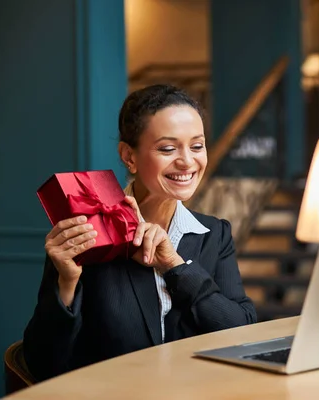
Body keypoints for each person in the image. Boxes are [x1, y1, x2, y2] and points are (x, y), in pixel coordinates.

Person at [23, 84, 257, 382]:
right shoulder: (85, 234)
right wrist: (66, 283)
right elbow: (42, 365)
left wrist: (174, 265)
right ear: (128, 156)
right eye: (168, 148)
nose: (187, 161)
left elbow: (243, 333)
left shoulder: (214, 233)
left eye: (197, 146)